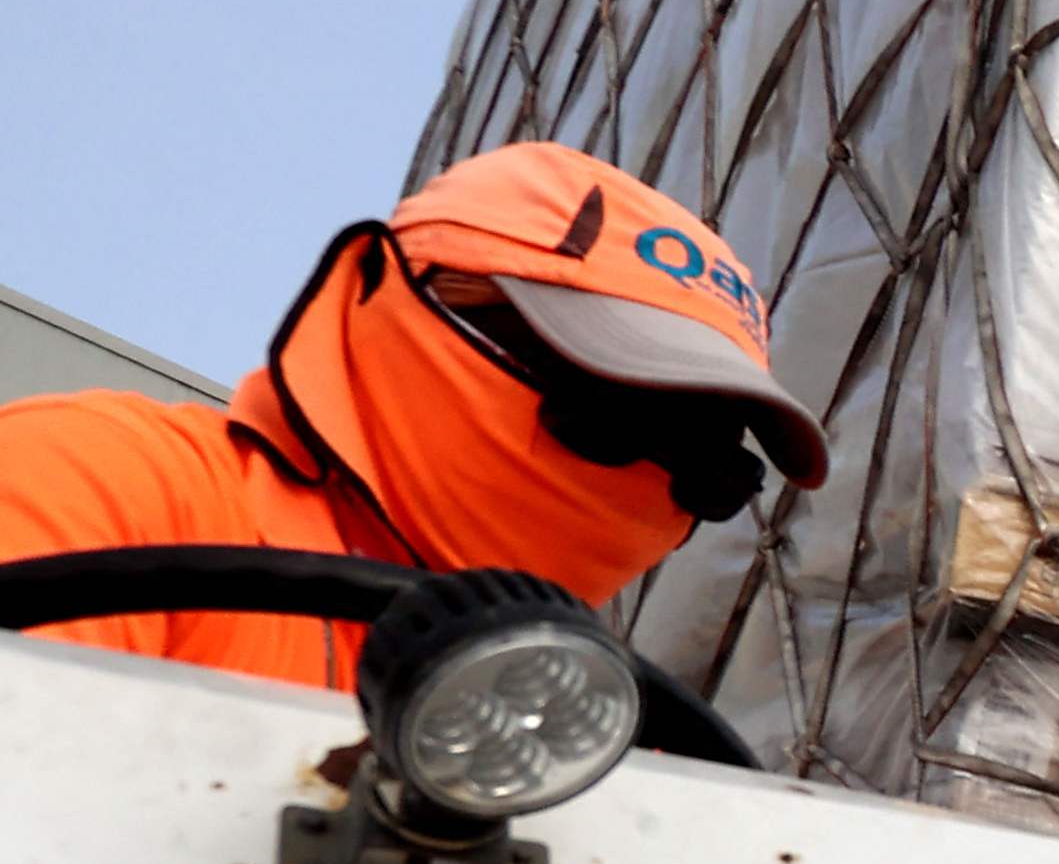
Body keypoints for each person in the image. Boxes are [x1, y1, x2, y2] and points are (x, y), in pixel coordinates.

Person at [0, 142, 824, 689]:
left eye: (709, 463)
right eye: (605, 402)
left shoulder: (586, 721)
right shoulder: (117, 488)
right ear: (388, 298)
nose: (651, 470)